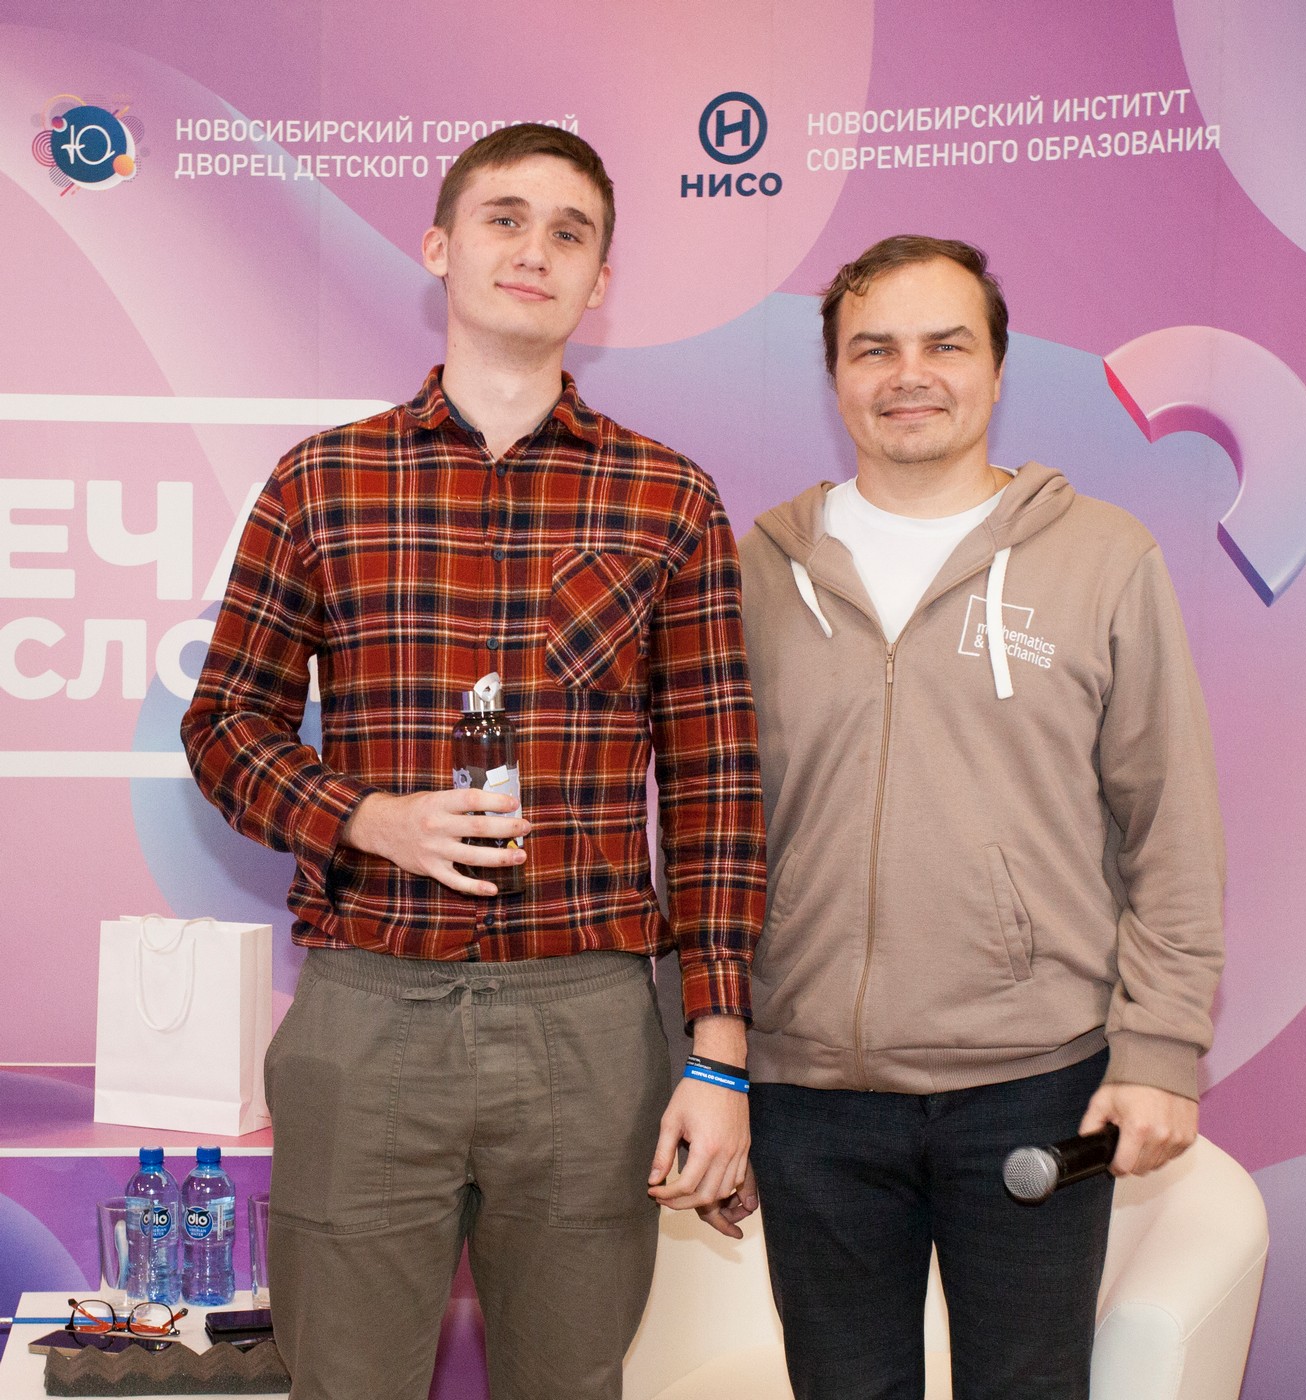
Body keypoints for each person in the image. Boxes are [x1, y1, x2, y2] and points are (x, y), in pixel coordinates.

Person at [181, 124, 765, 1400]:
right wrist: (365, 815)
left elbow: (716, 792)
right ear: (440, 246)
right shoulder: (322, 480)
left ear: (599, 281)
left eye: (569, 232)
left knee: (571, 1382)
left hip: (589, 1023)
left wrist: (717, 1053)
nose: (533, 249)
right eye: (504, 217)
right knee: (344, 1382)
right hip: (367, 1008)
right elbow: (223, 725)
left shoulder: (668, 498)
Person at [734, 235, 1225, 1400]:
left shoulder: (1101, 556)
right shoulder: (758, 568)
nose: (908, 373)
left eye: (944, 344)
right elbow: (709, 828)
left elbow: (1168, 822)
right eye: (872, 348)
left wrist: (1160, 1048)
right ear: (835, 376)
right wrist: (700, 1061)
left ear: (996, 370)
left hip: (1037, 1082)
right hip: (808, 1096)